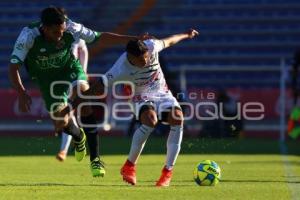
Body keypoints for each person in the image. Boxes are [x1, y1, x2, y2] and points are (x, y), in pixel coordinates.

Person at [8, 6, 148, 177]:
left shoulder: (72, 27)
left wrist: (133, 38)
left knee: (84, 98)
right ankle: (77, 136)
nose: (59, 36)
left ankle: (95, 160)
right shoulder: (28, 36)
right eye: (54, 33)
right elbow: (13, 67)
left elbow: (100, 37)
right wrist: (21, 92)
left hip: (70, 68)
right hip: (45, 78)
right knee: (61, 122)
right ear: (44, 28)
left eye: (61, 32)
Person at [62, 28, 198, 186]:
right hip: (139, 97)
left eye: (147, 57)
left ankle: (167, 172)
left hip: (162, 93)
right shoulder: (120, 69)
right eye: (142, 60)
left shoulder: (152, 46)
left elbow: (170, 40)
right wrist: (72, 105)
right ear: (131, 57)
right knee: (150, 120)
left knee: (178, 118)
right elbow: (97, 87)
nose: (146, 61)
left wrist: (186, 35)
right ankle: (129, 167)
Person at [56, 39, 88, 162]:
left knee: (70, 111)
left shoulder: (74, 33)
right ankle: (76, 139)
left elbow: (83, 48)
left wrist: (84, 70)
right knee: (64, 114)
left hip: (73, 76)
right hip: (58, 77)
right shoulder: (47, 35)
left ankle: (63, 150)